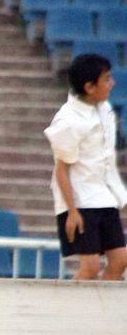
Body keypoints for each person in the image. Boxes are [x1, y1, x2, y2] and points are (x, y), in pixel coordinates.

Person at [44, 53, 127, 280]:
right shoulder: (68, 120)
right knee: (90, 267)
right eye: (106, 79)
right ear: (90, 87)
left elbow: (107, 161)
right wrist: (72, 211)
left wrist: (122, 197)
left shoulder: (105, 110)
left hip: (103, 197)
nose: (112, 84)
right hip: (80, 201)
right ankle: (67, 303)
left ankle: (99, 303)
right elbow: (61, 169)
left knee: (120, 260)